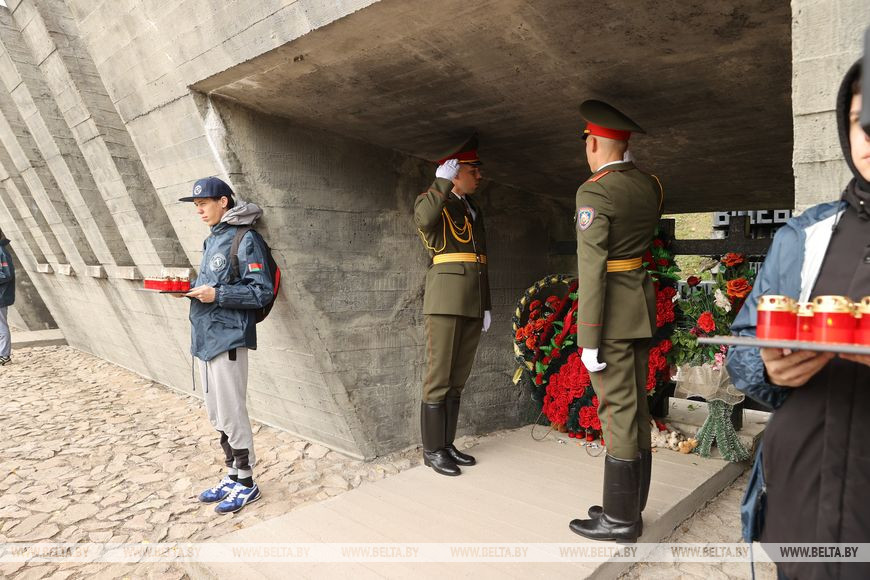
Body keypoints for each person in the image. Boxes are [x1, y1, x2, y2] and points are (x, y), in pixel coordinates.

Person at [727, 61, 870, 580]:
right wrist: (768, 368)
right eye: (860, 120)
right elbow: (743, 346)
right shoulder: (803, 237)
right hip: (798, 505)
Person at [568, 100, 664, 542]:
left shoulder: (594, 192)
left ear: (593, 144)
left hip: (610, 316)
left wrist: (588, 336)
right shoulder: (650, 185)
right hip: (638, 307)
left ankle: (621, 521)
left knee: (617, 411)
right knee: (636, 407)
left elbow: (592, 269)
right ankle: (628, 505)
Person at [178, 177, 274, 514]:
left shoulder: (246, 239)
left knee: (232, 412)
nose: (199, 210)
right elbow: (213, 283)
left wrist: (217, 294)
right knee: (217, 413)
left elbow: (261, 291)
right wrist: (191, 290)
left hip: (229, 338)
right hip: (206, 337)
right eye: (196, 206)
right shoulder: (212, 239)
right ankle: (232, 474)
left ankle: (247, 483)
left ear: (223, 201)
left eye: (203, 203)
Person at [413, 135, 492, 476]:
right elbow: (424, 220)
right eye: (473, 170)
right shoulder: (433, 201)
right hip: (445, 301)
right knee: (438, 378)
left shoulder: (472, 208)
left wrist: (486, 304)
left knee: (457, 379)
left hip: (472, 300)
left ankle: (446, 444)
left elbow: (481, 260)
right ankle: (432, 451)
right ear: (455, 172)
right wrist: (440, 183)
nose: (479, 176)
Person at [0, 236, 15, 366]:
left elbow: (7, 274)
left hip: (1, 296)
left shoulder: (2, 252)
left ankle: (5, 356)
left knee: (1, 326)